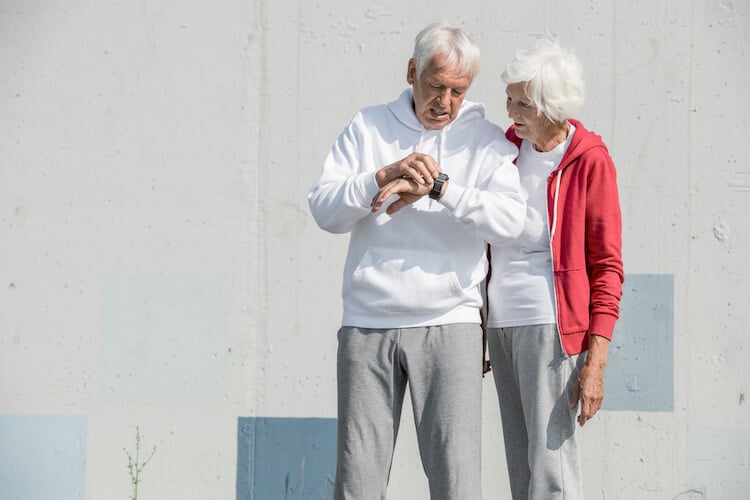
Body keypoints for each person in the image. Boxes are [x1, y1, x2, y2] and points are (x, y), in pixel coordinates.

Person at [308, 22, 526, 500]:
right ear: (412, 71)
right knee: (357, 482)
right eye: (436, 86)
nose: (445, 101)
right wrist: (378, 178)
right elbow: (324, 208)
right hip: (367, 325)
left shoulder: (486, 142)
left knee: (457, 481)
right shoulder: (367, 127)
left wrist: (441, 188)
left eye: (457, 91)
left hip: (451, 325)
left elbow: (511, 221)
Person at [485, 38, 624, 499]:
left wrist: (595, 362)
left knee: (551, 470)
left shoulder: (588, 161)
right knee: (520, 467)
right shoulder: (502, 150)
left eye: (523, 103)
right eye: (509, 99)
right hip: (500, 322)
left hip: (549, 326)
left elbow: (607, 266)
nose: (511, 111)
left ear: (551, 105)